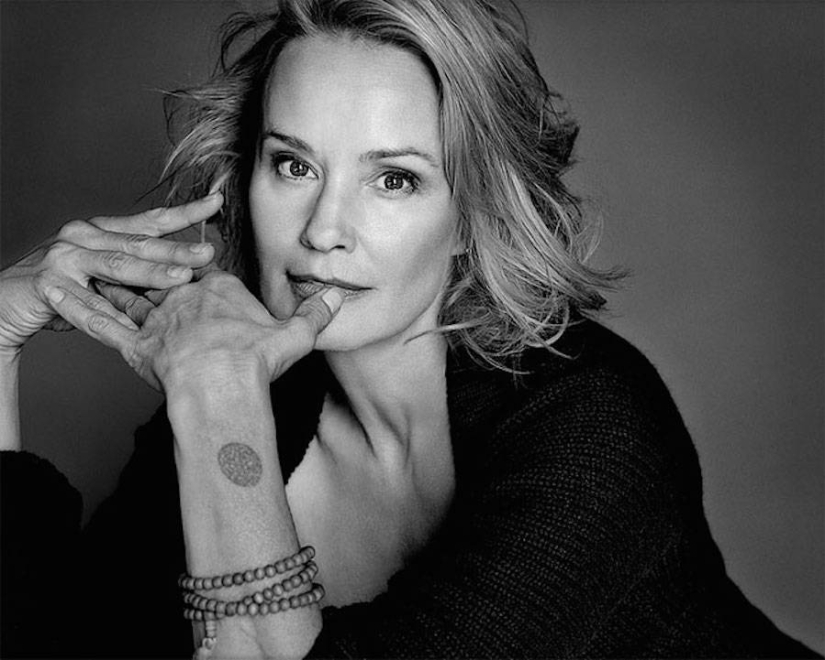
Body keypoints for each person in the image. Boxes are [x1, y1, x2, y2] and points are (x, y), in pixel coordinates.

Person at [0, 0, 819, 657]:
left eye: (393, 179)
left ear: (473, 216)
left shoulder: (591, 429)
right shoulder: (262, 398)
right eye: (293, 165)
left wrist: (216, 395)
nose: (323, 230)